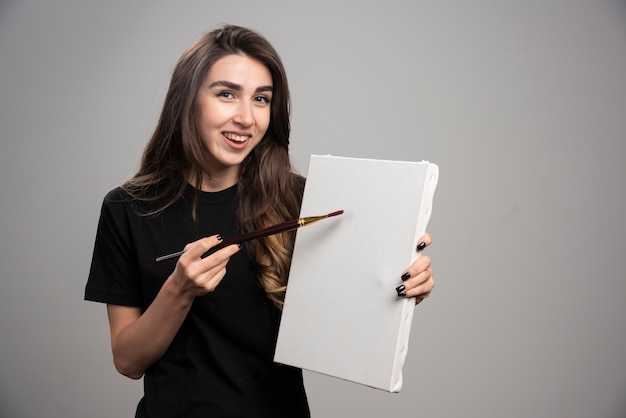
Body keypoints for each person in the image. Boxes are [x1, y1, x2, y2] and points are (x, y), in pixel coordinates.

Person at [84, 24, 435, 418]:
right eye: (227, 94)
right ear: (187, 101)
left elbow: (348, 308)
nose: (246, 118)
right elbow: (128, 362)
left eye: (262, 99)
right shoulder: (127, 207)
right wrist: (178, 290)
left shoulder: (302, 200)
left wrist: (399, 286)